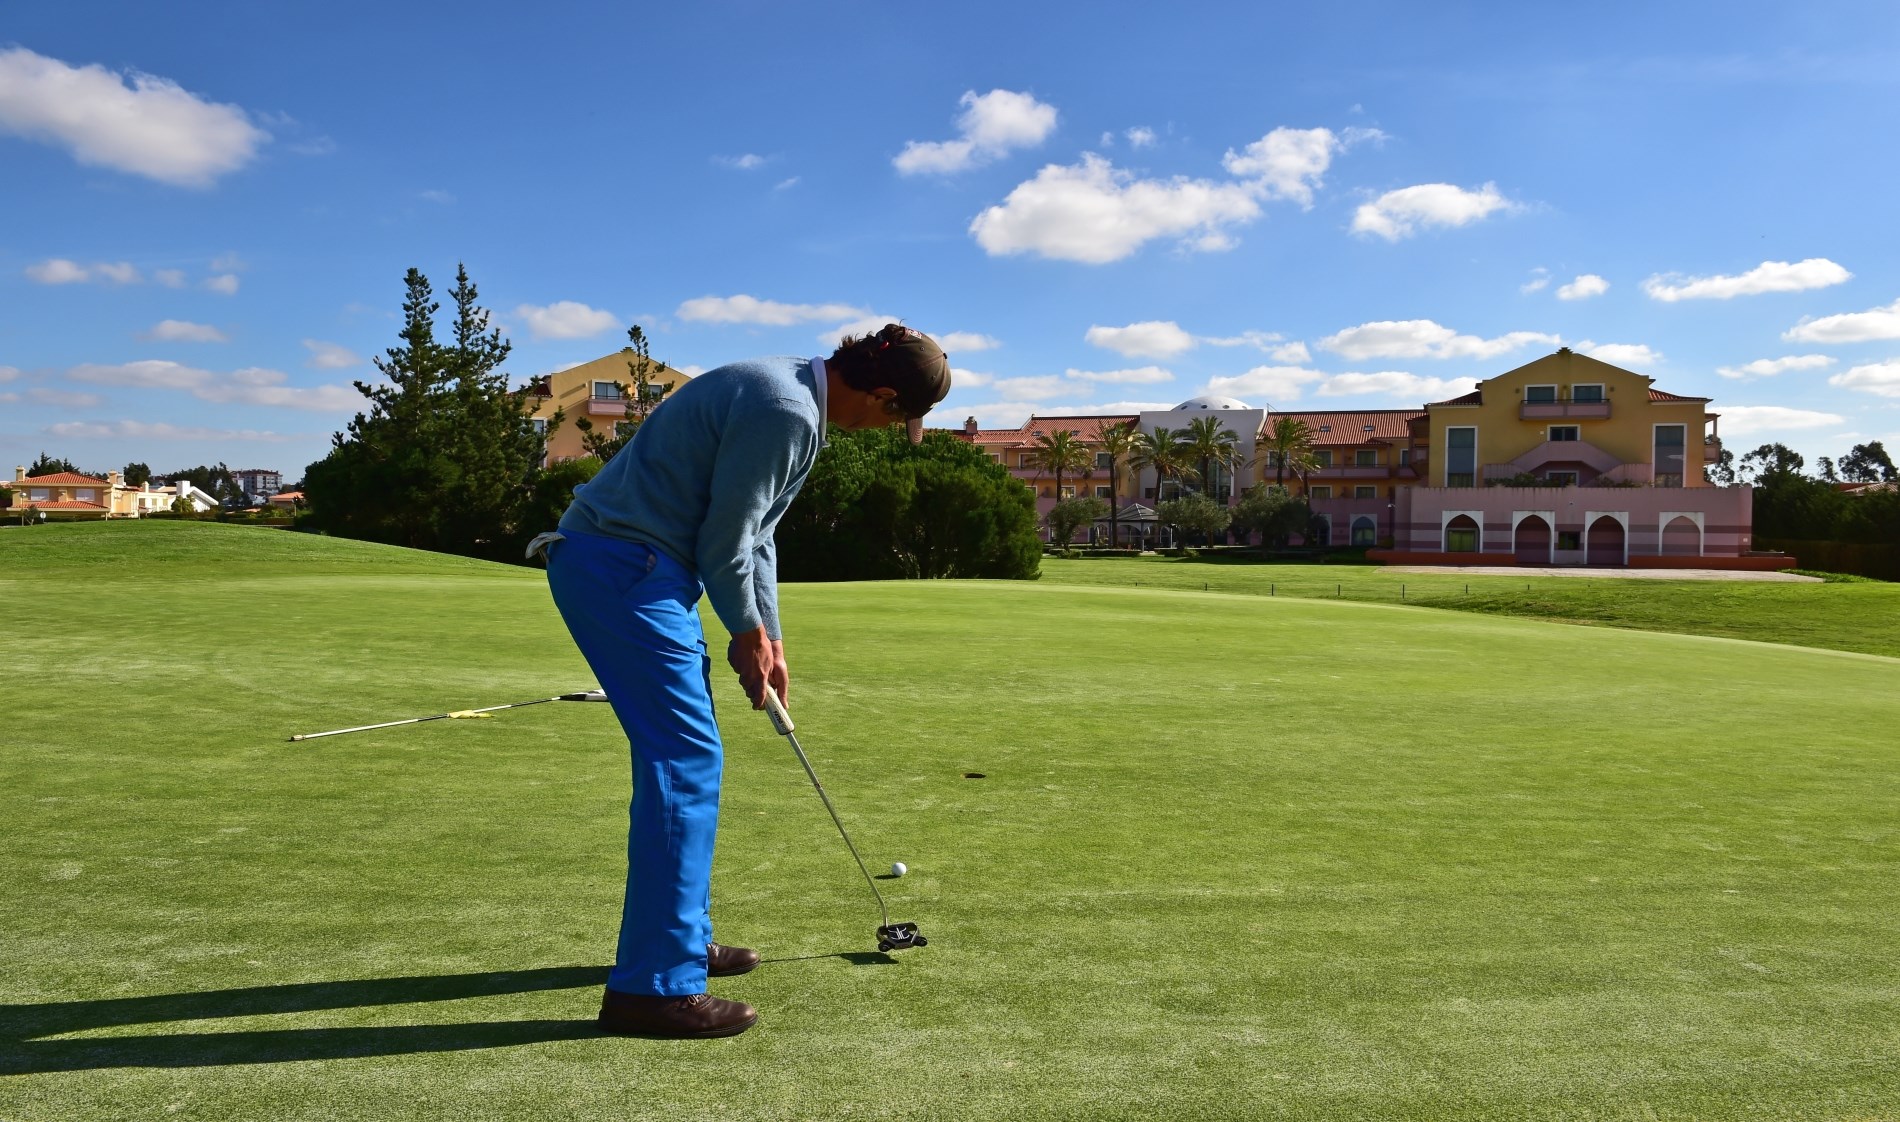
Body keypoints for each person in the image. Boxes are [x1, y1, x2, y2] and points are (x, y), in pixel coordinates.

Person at [534, 323, 951, 1038]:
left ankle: (679, 942)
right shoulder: (787, 412)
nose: (885, 431)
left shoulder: (789, 390)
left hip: (638, 570)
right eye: (894, 420)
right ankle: (654, 988)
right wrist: (744, 634)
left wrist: (772, 636)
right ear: (881, 396)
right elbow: (723, 541)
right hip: (624, 571)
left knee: (683, 758)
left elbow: (758, 533)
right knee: (684, 761)